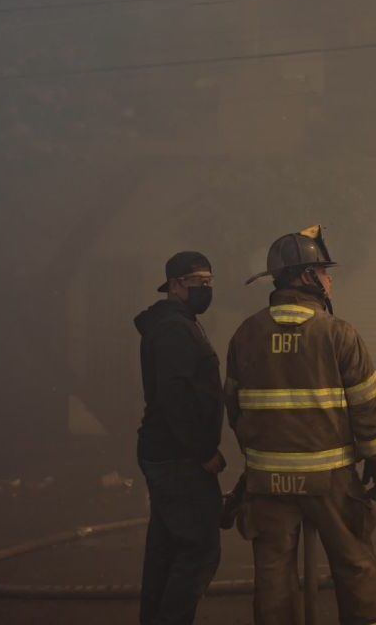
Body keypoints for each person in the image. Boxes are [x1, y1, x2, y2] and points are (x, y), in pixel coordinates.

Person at [226, 226, 376, 625]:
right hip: (329, 479)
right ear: (305, 276)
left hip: (267, 480)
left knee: (273, 575)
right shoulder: (337, 333)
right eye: (323, 270)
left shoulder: (247, 334)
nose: (329, 279)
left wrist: (260, 456)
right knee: (354, 565)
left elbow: (234, 405)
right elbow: (368, 403)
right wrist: (375, 456)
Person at [133, 251, 226, 625]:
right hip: (179, 458)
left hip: (167, 452)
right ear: (174, 285)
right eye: (197, 283)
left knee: (167, 549)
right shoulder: (174, 328)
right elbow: (175, 395)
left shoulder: (178, 322)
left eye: (209, 282)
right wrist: (203, 451)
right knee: (200, 549)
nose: (205, 289)